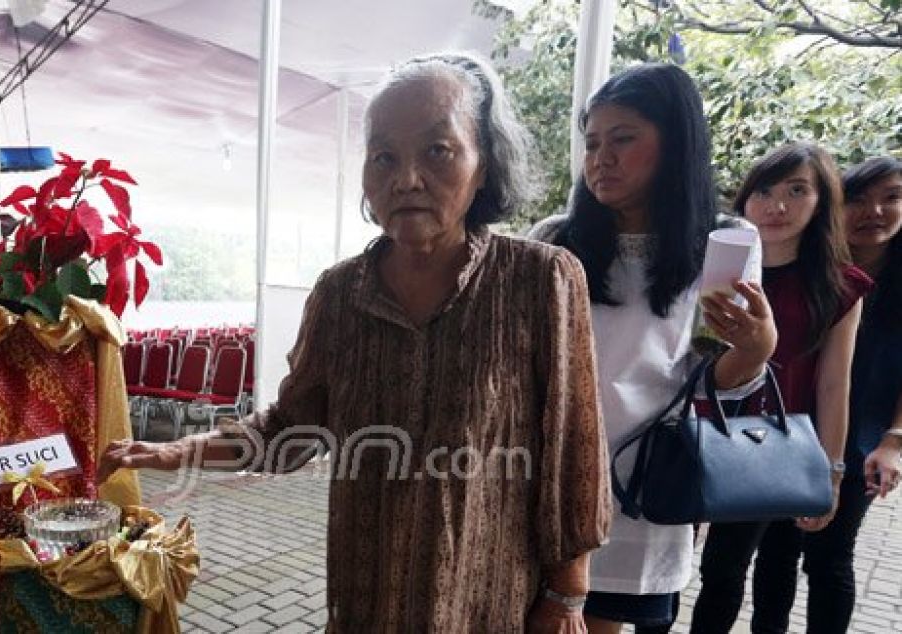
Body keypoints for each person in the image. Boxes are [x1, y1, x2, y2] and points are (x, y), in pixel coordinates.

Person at [99, 52, 612, 633]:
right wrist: (179, 452)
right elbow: (291, 431)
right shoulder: (341, 293)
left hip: (489, 600)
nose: (406, 178)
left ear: (485, 163)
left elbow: (573, 452)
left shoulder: (540, 280)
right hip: (368, 597)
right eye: (384, 157)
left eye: (437, 151)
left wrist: (568, 596)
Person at [529, 63, 777, 634]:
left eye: (623, 139)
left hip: (644, 483)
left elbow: (717, 379)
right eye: (592, 142)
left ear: (676, 144)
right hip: (545, 478)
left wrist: (757, 348)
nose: (601, 158)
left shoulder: (720, 243)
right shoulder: (555, 239)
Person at [690, 143, 874, 634]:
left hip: (783, 446)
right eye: (765, 190)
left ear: (821, 201)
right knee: (718, 572)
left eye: (798, 191)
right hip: (709, 439)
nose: (777, 206)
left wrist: (830, 473)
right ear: (746, 199)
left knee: (777, 570)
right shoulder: (713, 266)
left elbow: (835, 383)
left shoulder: (840, 284)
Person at [794, 156, 902, 634]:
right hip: (790, 431)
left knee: (830, 558)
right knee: (775, 556)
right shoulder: (812, 268)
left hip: (861, 440)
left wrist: (893, 441)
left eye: (892, 197)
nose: (874, 211)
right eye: (857, 198)